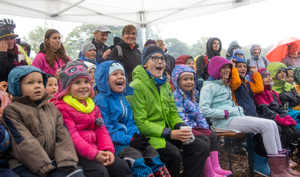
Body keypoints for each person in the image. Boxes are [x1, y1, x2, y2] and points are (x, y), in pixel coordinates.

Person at [199, 56, 294, 176]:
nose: (228, 70)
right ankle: (277, 170)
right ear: (215, 69)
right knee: (266, 126)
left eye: (229, 67)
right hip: (223, 122)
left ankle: (283, 167)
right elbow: (203, 110)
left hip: (234, 117)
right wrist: (225, 113)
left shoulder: (224, 84)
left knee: (272, 123)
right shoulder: (208, 86)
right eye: (224, 68)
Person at [129, 45, 209, 177]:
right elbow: (141, 123)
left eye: (162, 59)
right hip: (152, 136)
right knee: (173, 155)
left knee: (201, 146)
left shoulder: (164, 84)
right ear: (144, 63)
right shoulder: (136, 86)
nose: (160, 61)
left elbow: (172, 113)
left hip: (168, 130)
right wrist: (170, 133)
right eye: (154, 58)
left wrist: (181, 126)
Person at [53, 60, 133, 177]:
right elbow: (73, 137)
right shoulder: (62, 107)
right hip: (77, 153)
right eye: (77, 83)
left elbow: (101, 130)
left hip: (97, 149)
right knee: (100, 172)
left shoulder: (92, 106)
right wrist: (95, 155)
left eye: (86, 81)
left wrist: (108, 150)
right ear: (67, 87)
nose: (83, 86)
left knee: (121, 167)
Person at [1, 66, 84, 177]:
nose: (37, 86)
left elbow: (63, 135)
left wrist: (66, 160)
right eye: (30, 83)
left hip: (54, 159)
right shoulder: (12, 110)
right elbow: (24, 142)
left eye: (40, 82)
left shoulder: (51, 108)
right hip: (23, 163)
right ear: (17, 86)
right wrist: (44, 166)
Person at [94, 60, 170, 176]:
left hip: (129, 138)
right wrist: (129, 140)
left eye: (122, 74)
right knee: (136, 158)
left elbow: (130, 121)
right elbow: (107, 129)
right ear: (105, 79)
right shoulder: (101, 100)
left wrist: (136, 136)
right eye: (115, 74)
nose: (120, 77)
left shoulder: (123, 99)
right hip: (115, 142)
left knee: (151, 152)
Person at [172, 64, 232, 176]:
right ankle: (208, 172)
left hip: (195, 126)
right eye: (185, 79)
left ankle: (215, 167)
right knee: (203, 139)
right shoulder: (177, 97)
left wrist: (204, 127)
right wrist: (192, 128)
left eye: (191, 79)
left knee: (211, 135)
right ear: (177, 81)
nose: (189, 82)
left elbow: (199, 114)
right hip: (185, 127)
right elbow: (180, 116)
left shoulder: (192, 96)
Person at [254, 68, 300, 175]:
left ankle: (284, 163)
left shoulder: (273, 92)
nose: (269, 78)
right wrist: (279, 118)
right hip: (269, 119)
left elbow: (280, 108)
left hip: (277, 118)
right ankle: (277, 165)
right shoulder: (260, 94)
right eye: (265, 77)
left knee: (295, 133)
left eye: (269, 75)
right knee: (287, 132)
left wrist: (286, 117)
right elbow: (265, 111)